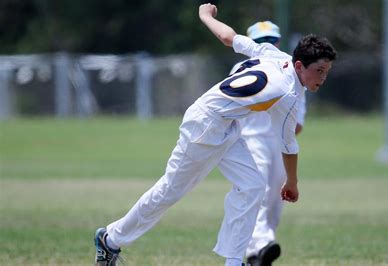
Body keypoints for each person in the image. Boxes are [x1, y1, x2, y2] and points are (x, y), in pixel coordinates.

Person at [94, 3, 336, 266]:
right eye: (319, 71)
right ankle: (110, 239)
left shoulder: (275, 55)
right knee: (170, 191)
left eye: (327, 72)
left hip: (226, 125)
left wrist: (205, 15)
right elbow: (289, 145)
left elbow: (228, 38)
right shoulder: (289, 93)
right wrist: (292, 183)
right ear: (300, 65)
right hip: (205, 126)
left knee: (252, 186)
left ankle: (233, 261)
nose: (322, 78)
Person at [230, 21, 307, 266]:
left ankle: (257, 254)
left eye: (270, 40)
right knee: (259, 193)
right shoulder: (240, 67)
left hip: (280, 142)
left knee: (276, 198)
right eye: (261, 41)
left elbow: (298, 122)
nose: (268, 45)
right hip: (250, 140)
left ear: (278, 41)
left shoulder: (290, 69)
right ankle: (262, 243)